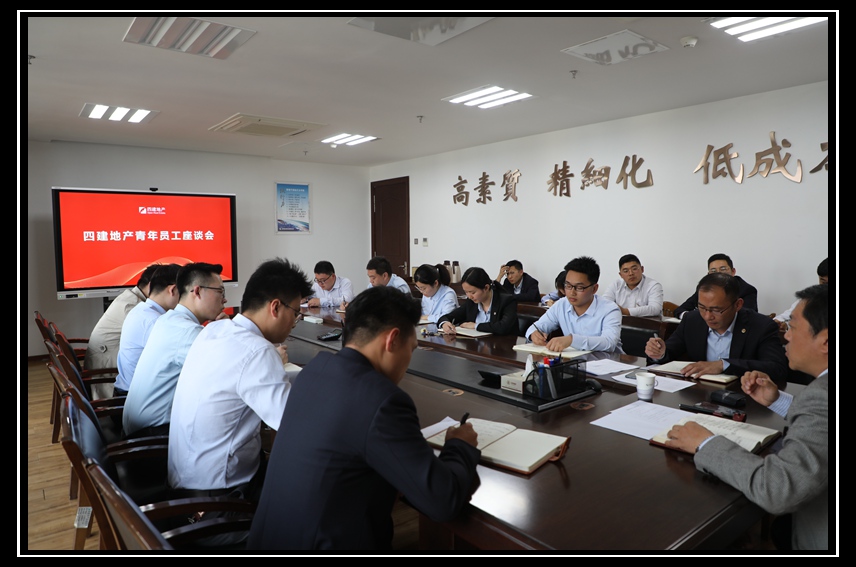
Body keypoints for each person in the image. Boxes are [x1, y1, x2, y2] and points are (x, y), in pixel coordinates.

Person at [247, 286, 480, 550]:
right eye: (411, 348)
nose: (408, 360)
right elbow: (442, 501)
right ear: (392, 340)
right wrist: (459, 445)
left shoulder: (314, 371)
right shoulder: (383, 400)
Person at [664, 284, 828, 551]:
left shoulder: (822, 395)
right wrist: (779, 401)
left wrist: (706, 443)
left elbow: (778, 489)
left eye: (793, 327)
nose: (786, 335)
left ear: (826, 341)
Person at [168, 258, 314, 544]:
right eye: (296, 313)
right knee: (318, 499)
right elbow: (294, 428)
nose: (294, 322)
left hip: (184, 485)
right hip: (218, 504)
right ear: (275, 307)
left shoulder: (214, 330)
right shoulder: (258, 350)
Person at [122, 262, 227, 438]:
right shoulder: (186, 331)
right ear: (197, 291)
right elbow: (226, 373)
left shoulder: (168, 319)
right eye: (220, 292)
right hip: (153, 436)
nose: (224, 300)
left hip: (139, 427)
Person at [644, 272, 788, 384]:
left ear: (738, 305)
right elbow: (670, 352)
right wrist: (659, 353)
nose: (707, 316)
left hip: (745, 397)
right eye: (702, 307)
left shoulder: (761, 326)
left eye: (716, 310)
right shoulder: (692, 320)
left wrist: (723, 365)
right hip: (698, 394)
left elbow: (776, 368)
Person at [84, 263, 160, 398]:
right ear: (151, 286)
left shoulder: (131, 297)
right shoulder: (133, 306)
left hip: (105, 360)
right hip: (105, 370)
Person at [525, 256, 622, 353]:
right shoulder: (561, 305)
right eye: (568, 286)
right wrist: (533, 334)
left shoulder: (610, 309)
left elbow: (609, 343)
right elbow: (536, 327)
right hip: (574, 360)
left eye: (579, 287)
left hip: (608, 360)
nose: (572, 292)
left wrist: (572, 340)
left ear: (594, 289)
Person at [112, 263, 181, 397]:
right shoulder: (154, 321)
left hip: (128, 391)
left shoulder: (142, 310)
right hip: (133, 399)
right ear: (173, 290)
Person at [437, 267, 518, 336]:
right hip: (476, 346)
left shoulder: (507, 301)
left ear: (486, 288)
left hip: (502, 346)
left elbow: (503, 327)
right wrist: (445, 323)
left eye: (472, 292)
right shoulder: (471, 302)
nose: (469, 296)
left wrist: (476, 326)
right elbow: (448, 317)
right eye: (466, 292)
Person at [674, 253, 758, 318]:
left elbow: (746, 317)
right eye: (713, 271)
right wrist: (689, 317)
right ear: (708, 275)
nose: (718, 274)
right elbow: (680, 310)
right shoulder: (705, 289)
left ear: (733, 272)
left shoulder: (747, 290)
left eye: (723, 269)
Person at [773, 257, 828, 331]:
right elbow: (784, 317)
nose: (825, 286)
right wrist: (784, 325)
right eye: (823, 282)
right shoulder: (810, 299)